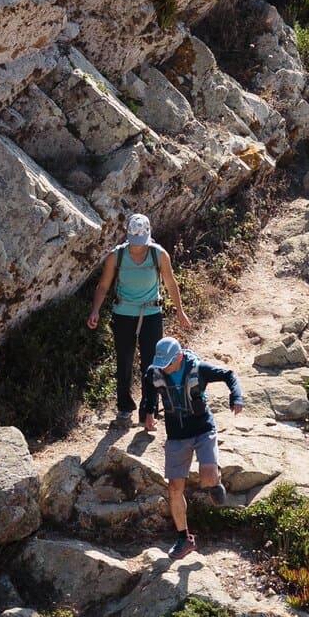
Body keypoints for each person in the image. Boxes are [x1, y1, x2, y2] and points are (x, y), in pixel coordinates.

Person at [144, 334, 244, 555]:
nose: (164, 369)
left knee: (207, 476)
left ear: (179, 357)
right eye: (161, 364)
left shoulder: (199, 369)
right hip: (176, 435)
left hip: (202, 430)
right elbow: (149, 391)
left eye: (167, 364)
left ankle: (215, 480)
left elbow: (229, 375)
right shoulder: (155, 373)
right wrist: (149, 411)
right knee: (174, 488)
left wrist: (236, 397)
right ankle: (184, 539)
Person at [86, 214, 189, 427]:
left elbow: (170, 283)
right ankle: (124, 408)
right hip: (123, 314)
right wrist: (95, 310)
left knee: (152, 364)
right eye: (134, 243)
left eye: (141, 243)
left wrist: (180, 311)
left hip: (151, 315)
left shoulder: (159, 255)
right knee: (124, 362)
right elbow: (103, 286)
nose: (138, 247)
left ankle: (148, 411)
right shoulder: (117, 256)